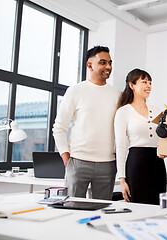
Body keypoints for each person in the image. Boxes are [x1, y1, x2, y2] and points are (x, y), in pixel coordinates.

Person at [53, 46, 120, 200]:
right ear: (89, 65)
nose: (108, 67)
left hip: (108, 164)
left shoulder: (117, 95)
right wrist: (67, 159)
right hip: (78, 162)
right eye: (103, 62)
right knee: (72, 210)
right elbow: (59, 128)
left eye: (110, 63)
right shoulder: (75, 91)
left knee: (101, 212)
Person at [115, 68, 166, 205]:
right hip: (136, 164)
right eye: (144, 82)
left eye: (150, 82)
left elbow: (164, 139)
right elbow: (120, 146)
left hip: (157, 164)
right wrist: (122, 179)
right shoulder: (123, 112)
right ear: (132, 85)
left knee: (157, 208)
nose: (148, 85)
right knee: (138, 206)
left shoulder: (157, 111)